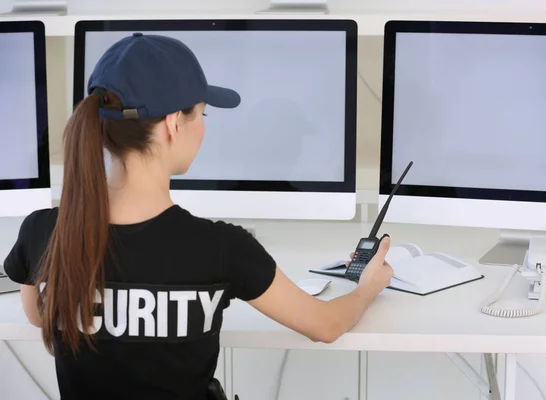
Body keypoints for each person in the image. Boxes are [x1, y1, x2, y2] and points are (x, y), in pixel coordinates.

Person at [3, 33, 394, 400]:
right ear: (174, 123)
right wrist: (367, 288)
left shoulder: (44, 230)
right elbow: (325, 326)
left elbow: (39, 316)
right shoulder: (222, 249)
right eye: (202, 114)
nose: (203, 127)